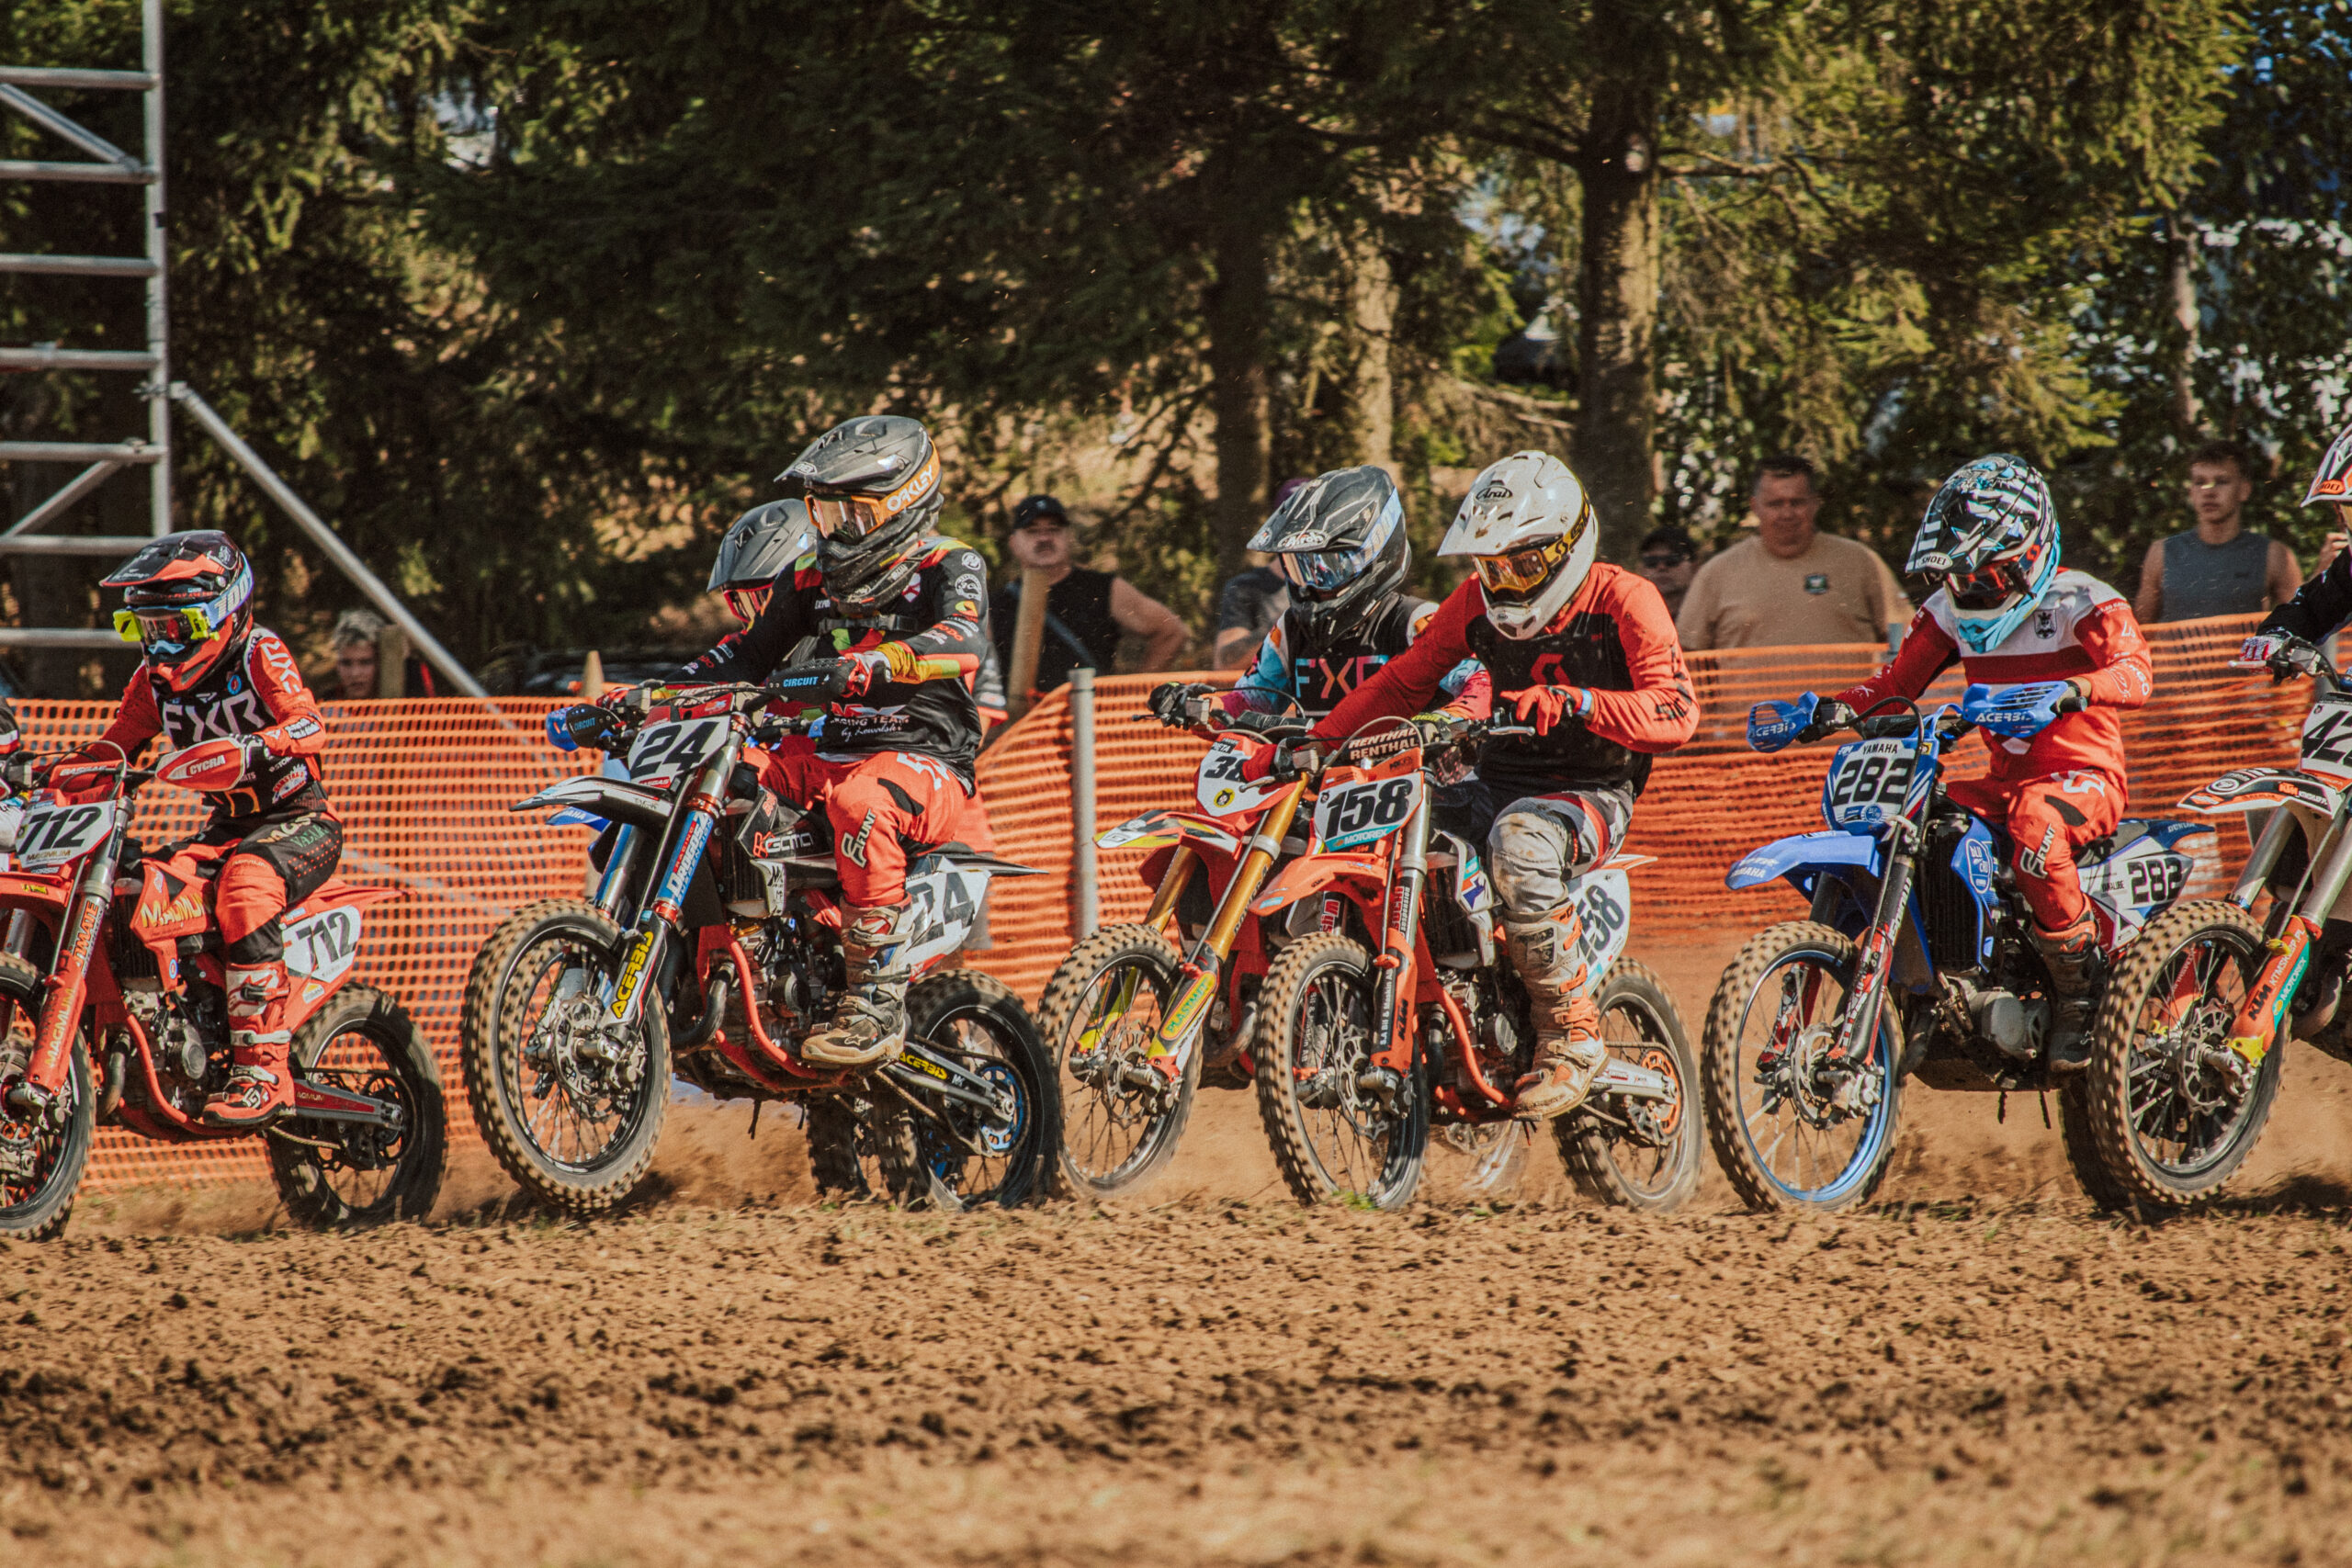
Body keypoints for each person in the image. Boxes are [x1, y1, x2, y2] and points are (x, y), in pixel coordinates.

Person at [1290, 450, 1697, 1122]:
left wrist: (1581, 703)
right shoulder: (1474, 603)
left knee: (1518, 840)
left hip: (1592, 791)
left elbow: (1677, 711)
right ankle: (1422, 1005)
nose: (1505, 582)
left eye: (1524, 565)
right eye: (1492, 566)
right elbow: (1407, 677)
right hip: (1497, 778)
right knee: (1389, 818)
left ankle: (1572, 1032)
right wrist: (1323, 741)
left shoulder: (1625, 597)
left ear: (1569, 543)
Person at [579, 415, 995, 1067]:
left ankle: (877, 1003)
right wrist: (648, 697)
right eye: (823, 510)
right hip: (821, 755)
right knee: (711, 775)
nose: (832, 527)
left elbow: (966, 638)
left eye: (848, 511)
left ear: (901, 504)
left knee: (862, 803)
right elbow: (745, 654)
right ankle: (724, 958)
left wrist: (878, 662)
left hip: (923, 759)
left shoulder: (951, 562)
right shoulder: (809, 575)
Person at [1795, 455, 2152, 1067]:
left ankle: (2079, 995)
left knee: (2035, 822)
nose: (1968, 592)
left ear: (2027, 557)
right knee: (1924, 819)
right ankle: (1952, 978)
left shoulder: (2084, 599)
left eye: (1982, 578)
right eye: (1959, 579)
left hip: (2083, 779)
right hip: (2003, 784)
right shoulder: (1947, 610)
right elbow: (1894, 682)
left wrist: (2079, 689)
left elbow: (2138, 673)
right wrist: (1833, 707)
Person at [2, 532, 340, 1126]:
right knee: (143, 887)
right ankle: (177, 1029)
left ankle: (265, 1072)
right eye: (145, 628)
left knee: (246, 884)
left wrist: (265, 744)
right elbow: (113, 747)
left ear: (222, 612)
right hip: (227, 827)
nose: (158, 645)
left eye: (172, 628)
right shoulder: (154, 682)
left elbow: (310, 721)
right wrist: (40, 769)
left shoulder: (260, 652)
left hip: (299, 821)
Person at [1149, 465, 1487, 726]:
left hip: (1417, 785)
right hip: (1319, 783)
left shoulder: (1414, 620)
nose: (1313, 583)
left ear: (1372, 553)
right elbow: (1249, 700)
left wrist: (1444, 721)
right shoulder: (1292, 630)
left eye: (1327, 566)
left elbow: (1481, 679)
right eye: (1300, 567)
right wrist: (1196, 707)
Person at [1678, 455, 1909, 650]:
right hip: (1750, 706)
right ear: (1755, 506)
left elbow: (1902, 635)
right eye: (1775, 504)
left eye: (1797, 502)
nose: (1787, 514)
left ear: (1815, 503)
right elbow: (1685, 656)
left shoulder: (1860, 562)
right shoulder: (1717, 573)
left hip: (1847, 706)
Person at [989, 494, 1189, 696]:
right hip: (1023, 724)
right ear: (1013, 543)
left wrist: (1134, 693)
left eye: (1054, 530)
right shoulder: (993, 606)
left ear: (1069, 537)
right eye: (1032, 531)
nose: (1044, 538)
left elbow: (1171, 631)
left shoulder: (1103, 589)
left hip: (1091, 720)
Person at [2133, 439, 2302, 623]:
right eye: (2200, 482)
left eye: (2221, 482)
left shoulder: (2275, 555)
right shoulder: (2162, 553)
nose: (2209, 492)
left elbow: (2303, 626)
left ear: (2244, 490)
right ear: (2191, 492)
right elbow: (2139, 636)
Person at [1211, 477, 1308, 669]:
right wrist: (1292, 619)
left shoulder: (1341, 581)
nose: (1303, 531)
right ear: (1276, 525)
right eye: (1292, 521)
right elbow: (1225, 664)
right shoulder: (1246, 587)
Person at [325, 608, 437, 701]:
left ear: (381, 662)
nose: (355, 673)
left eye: (365, 662)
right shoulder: (326, 707)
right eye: (346, 663)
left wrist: (407, 664)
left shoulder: (408, 696)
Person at [1635, 525, 1701, 620]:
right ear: (1641, 569)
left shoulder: (1709, 615)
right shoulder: (1629, 617)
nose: (1661, 567)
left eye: (1672, 560)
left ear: (1694, 568)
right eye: (1651, 562)